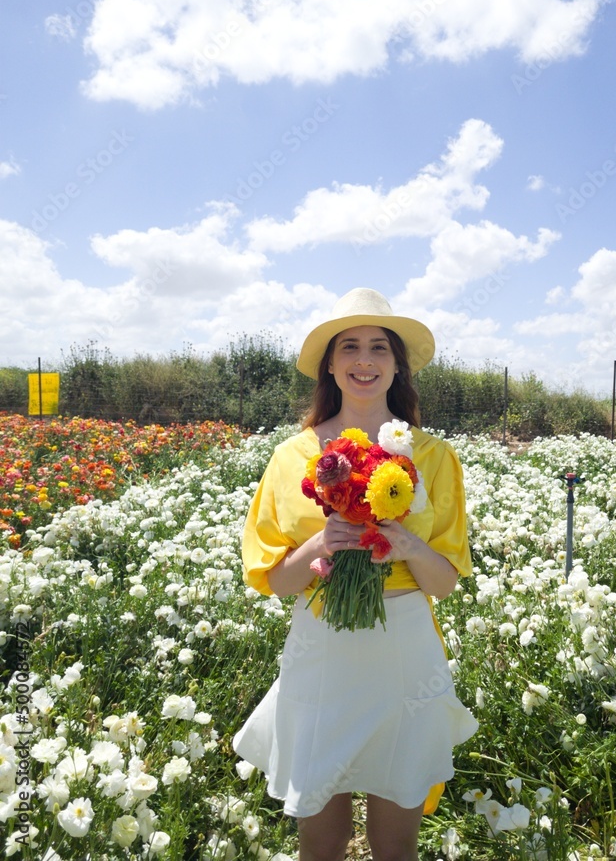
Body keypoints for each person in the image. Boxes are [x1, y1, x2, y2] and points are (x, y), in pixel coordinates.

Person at [233, 287, 478, 861]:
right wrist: (320, 543)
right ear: (331, 366)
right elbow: (276, 581)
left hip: (405, 652)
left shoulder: (434, 456)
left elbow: (443, 583)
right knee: (321, 839)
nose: (364, 360)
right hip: (322, 646)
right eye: (349, 347)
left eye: (378, 348)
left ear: (397, 365)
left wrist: (407, 546)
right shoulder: (291, 456)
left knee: (396, 842)